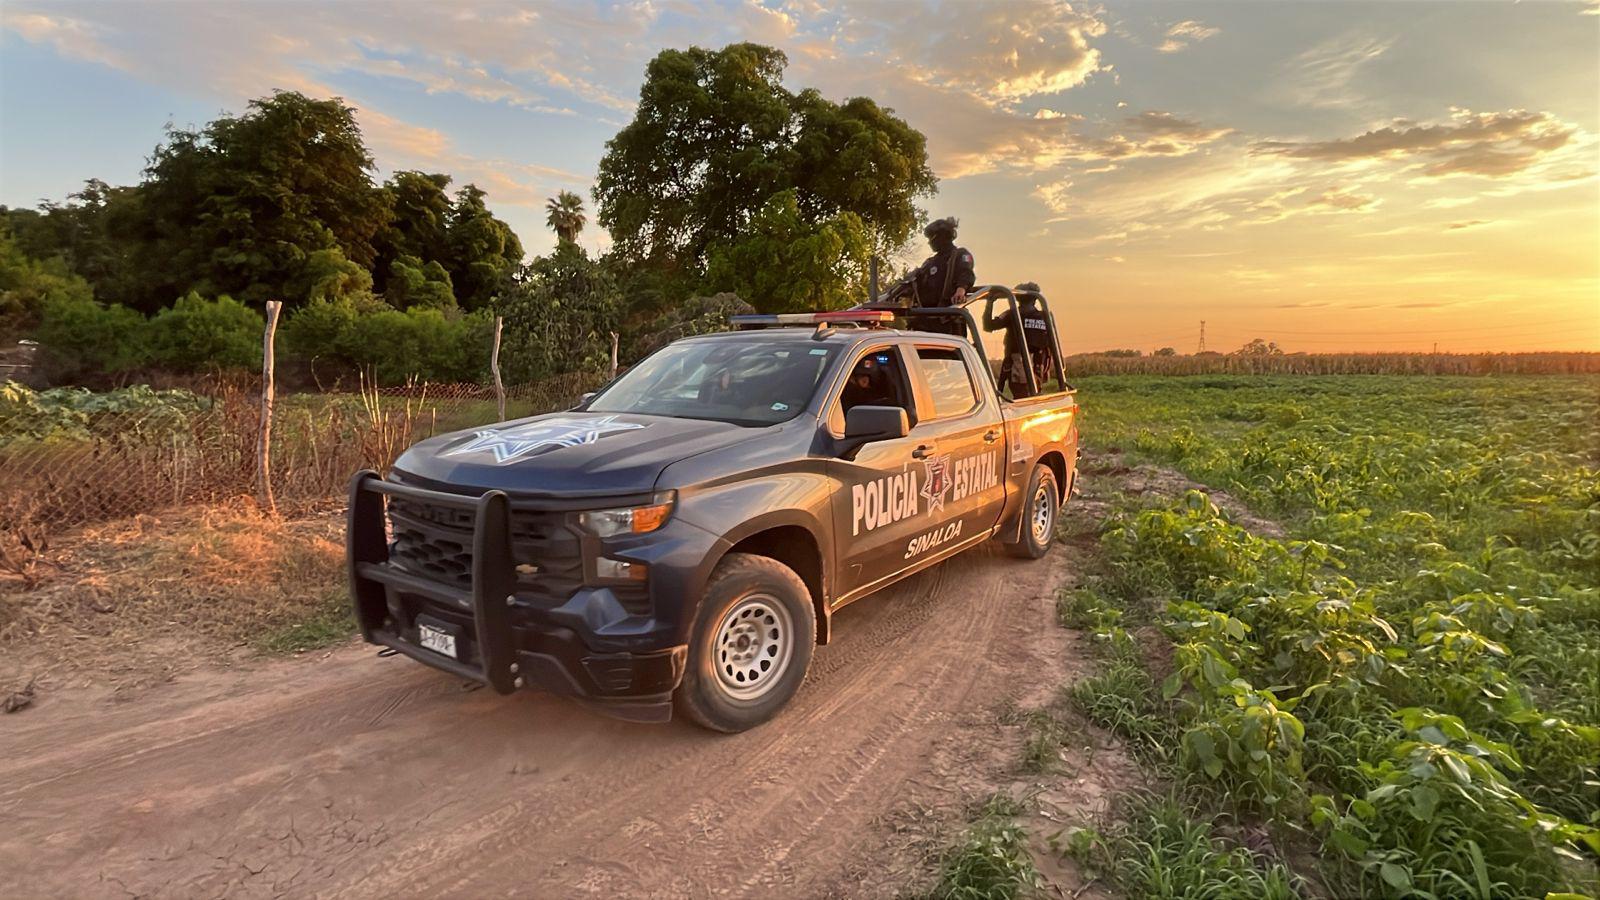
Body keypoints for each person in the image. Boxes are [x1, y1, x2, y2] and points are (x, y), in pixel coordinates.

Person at [985, 282, 1056, 398]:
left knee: (1022, 398)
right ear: (1035, 300)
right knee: (1033, 396)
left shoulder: (1013, 315)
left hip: (1018, 364)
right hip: (1039, 365)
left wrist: (990, 303)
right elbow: (1052, 344)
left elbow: (988, 326)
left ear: (1017, 299)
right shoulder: (1045, 316)